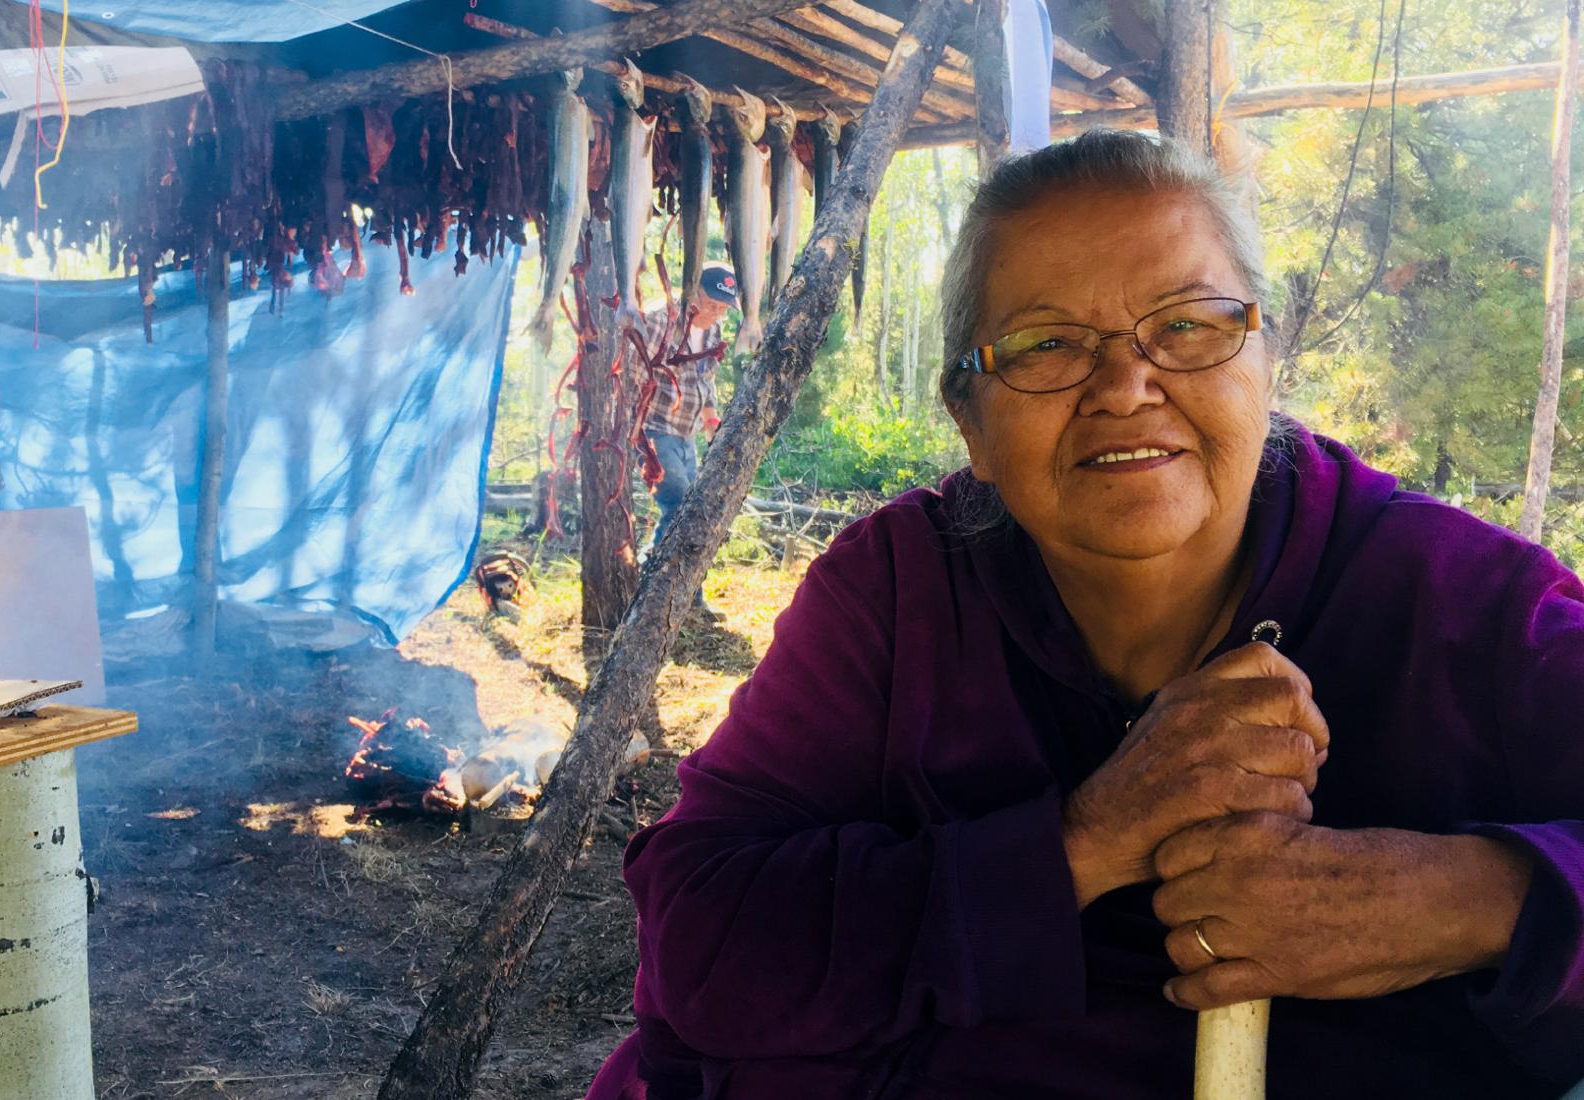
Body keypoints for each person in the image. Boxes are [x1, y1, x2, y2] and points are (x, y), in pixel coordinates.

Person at [586, 130, 1584, 1098]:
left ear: (1264, 361)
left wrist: (1471, 898)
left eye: (1188, 323)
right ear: (968, 421)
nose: (1124, 385)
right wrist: (1080, 842)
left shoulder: (1452, 595)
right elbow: (700, 940)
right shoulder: (897, 591)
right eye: (1046, 343)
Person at [641, 262, 738, 619]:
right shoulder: (659, 321)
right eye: (711, 304)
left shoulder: (712, 334)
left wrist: (711, 419)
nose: (715, 314)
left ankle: (687, 596)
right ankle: (649, 584)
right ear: (692, 291)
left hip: (686, 435)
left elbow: (706, 382)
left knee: (689, 511)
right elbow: (635, 374)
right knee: (680, 504)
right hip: (654, 430)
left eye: (724, 309)